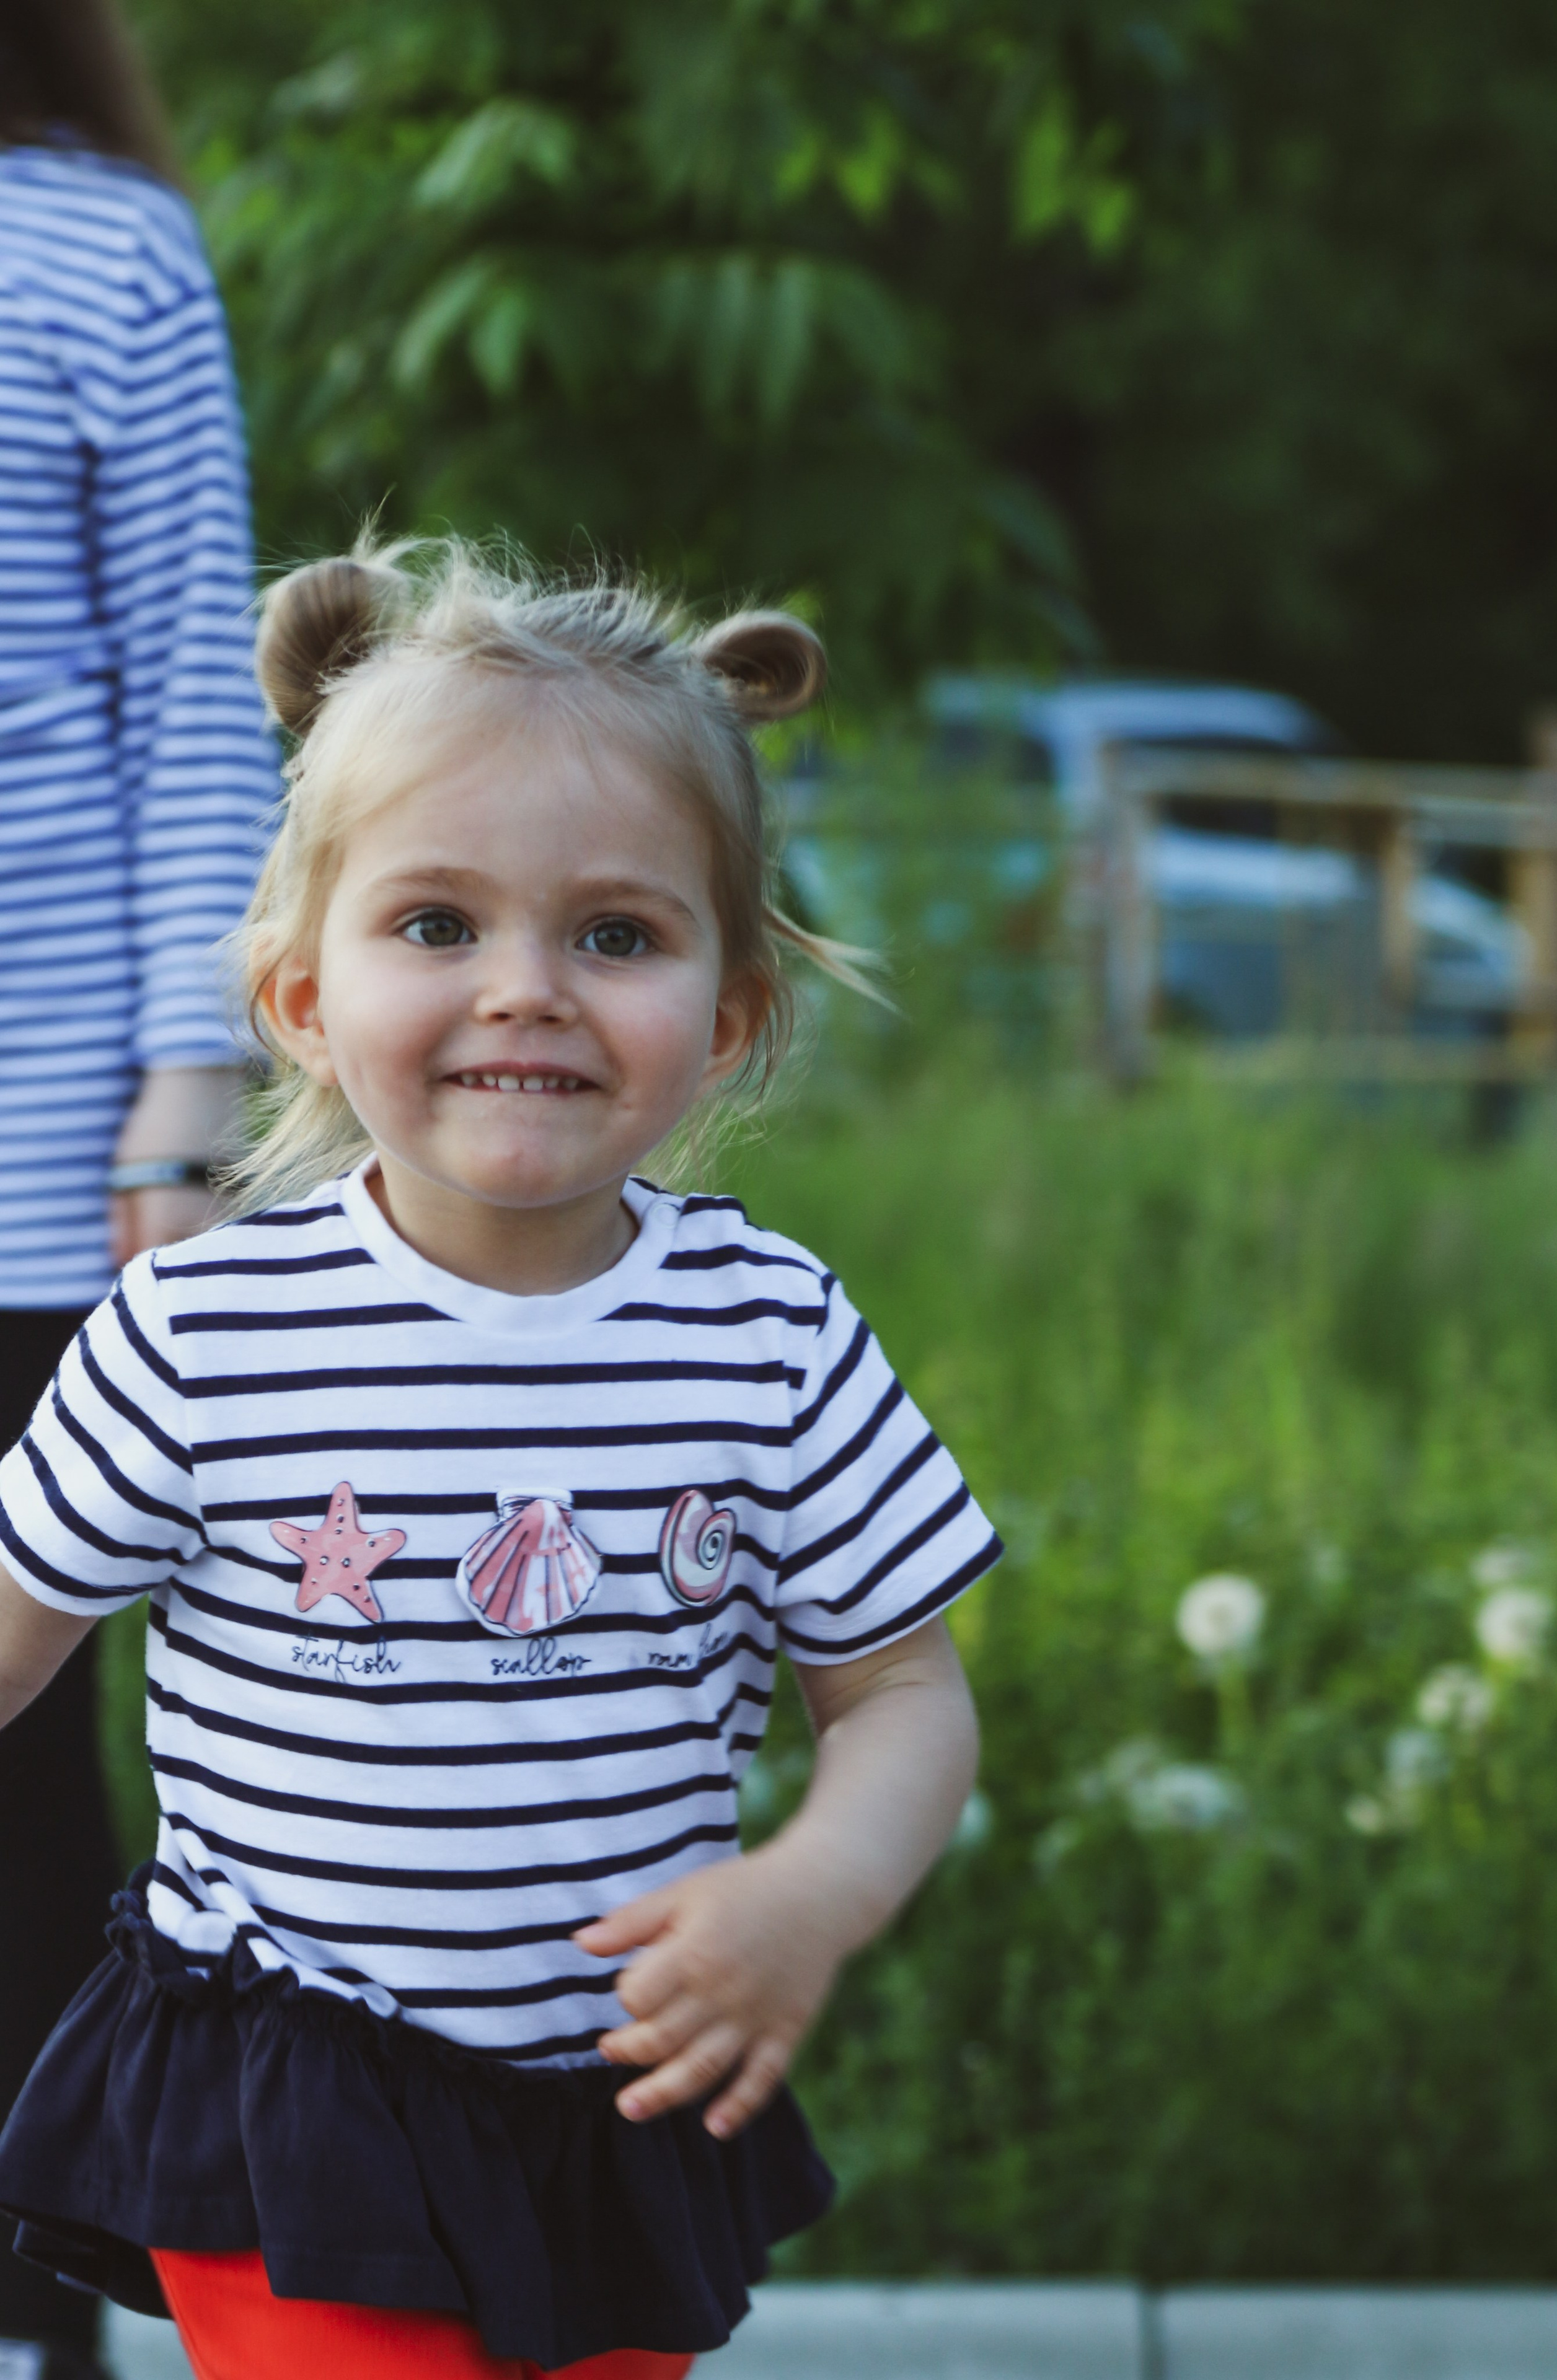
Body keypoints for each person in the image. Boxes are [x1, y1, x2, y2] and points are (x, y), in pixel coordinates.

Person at [0, 546, 996, 2380]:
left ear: (731, 1014)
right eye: (438, 924)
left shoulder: (764, 1333)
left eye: (614, 934)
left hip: (620, 2101)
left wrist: (808, 1895)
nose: (526, 989)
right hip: (291, 2090)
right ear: (301, 997)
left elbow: (907, 1694)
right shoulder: (204, 1335)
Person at [0, 6, 278, 2370]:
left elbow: (199, 688)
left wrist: (182, 1119)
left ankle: (58, 2286)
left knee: (29, 1763)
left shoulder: (103, 257)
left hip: (39, 1169)